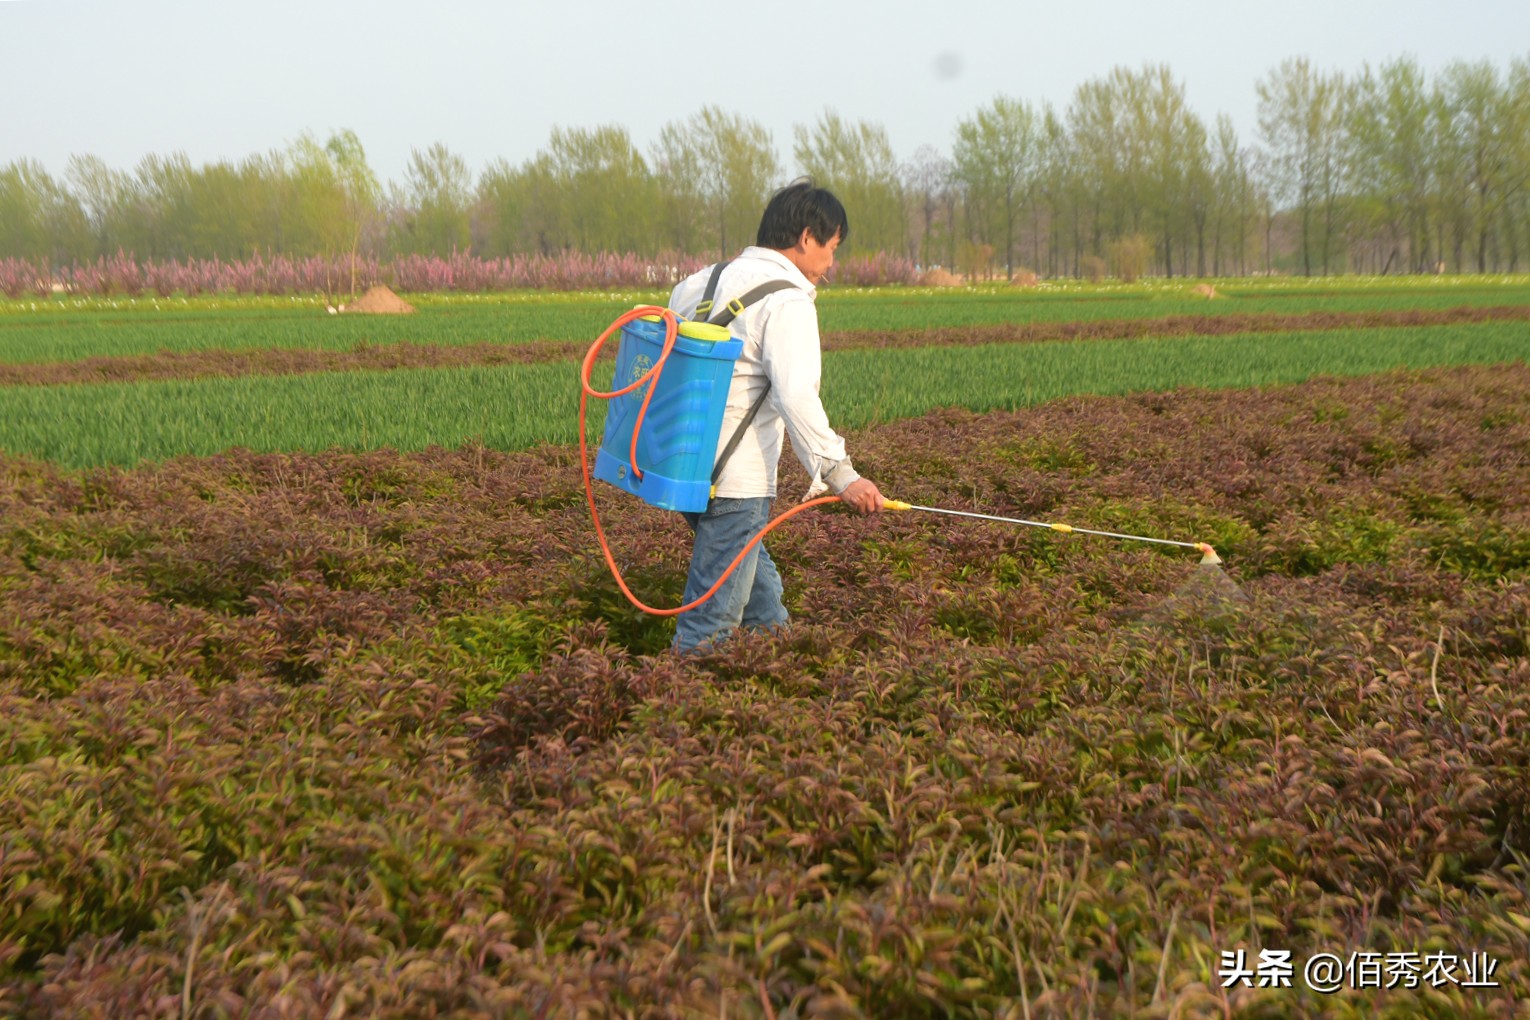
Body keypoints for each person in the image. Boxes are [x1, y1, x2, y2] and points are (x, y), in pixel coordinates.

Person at [668, 180, 884, 653]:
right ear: (807, 238)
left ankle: (782, 664)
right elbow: (795, 394)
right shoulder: (787, 299)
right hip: (734, 482)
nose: (831, 263)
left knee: (761, 601)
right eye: (832, 248)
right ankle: (683, 691)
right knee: (708, 630)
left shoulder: (696, 283)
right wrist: (841, 475)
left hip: (680, 465)